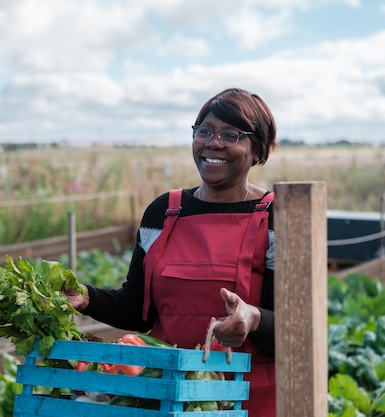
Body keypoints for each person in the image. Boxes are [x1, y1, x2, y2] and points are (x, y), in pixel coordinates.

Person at [65, 87, 278, 416]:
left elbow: (295, 330)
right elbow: (138, 309)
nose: (213, 143)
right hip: (163, 394)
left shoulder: (276, 217)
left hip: (246, 399)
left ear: (257, 148)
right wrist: (85, 297)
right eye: (204, 131)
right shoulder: (163, 212)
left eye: (231, 134)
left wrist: (254, 319)